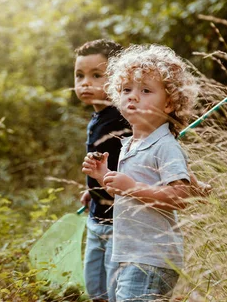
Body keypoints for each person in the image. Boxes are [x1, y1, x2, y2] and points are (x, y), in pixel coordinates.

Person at [82, 44, 203, 301]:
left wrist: (130, 186)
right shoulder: (131, 144)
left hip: (151, 258)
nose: (132, 97)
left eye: (145, 91)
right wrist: (103, 175)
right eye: (126, 90)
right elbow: (127, 190)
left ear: (169, 103)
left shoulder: (165, 146)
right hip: (131, 254)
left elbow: (179, 196)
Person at [74, 39, 132, 302]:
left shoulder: (124, 119)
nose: (86, 82)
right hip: (97, 216)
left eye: (96, 75)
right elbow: (101, 162)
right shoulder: (97, 117)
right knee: (94, 286)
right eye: (80, 75)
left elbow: (128, 165)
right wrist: (91, 189)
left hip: (118, 221)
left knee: (114, 287)